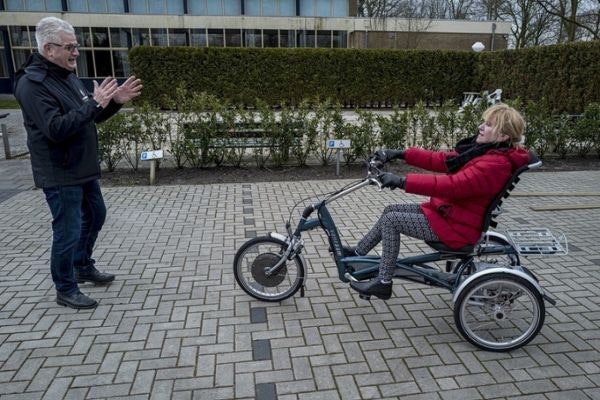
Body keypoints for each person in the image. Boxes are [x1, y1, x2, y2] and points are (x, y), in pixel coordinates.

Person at [14, 17, 142, 309]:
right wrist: (93, 104)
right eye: (70, 47)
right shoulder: (32, 85)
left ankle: (82, 265)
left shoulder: (66, 76)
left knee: (96, 215)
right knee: (67, 230)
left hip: (82, 168)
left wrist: (113, 103)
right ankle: (65, 287)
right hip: (60, 172)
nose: (76, 53)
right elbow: (56, 128)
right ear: (49, 48)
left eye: (76, 46)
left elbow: (89, 117)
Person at [349, 104, 530, 300]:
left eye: (488, 125)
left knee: (392, 220)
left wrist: (402, 181)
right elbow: (442, 160)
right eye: (484, 122)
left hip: (456, 228)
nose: (481, 127)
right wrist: (400, 153)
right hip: (449, 215)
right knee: (391, 210)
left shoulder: (494, 164)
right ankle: (358, 254)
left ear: (503, 136)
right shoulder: (485, 153)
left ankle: (383, 282)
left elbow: (452, 185)